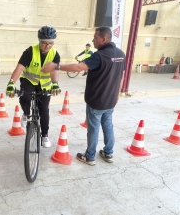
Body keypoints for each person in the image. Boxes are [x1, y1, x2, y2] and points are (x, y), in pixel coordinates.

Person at [41, 26, 125, 165]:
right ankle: (108, 153)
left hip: (97, 100)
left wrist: (56, 66)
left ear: (104, 39)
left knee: (93, 128)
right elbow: (121, 75)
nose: (93, 40)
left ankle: (90, 156)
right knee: (108, 125)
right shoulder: (120, 54)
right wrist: (117, 94)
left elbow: (79, 67)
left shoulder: (99, 56)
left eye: (95, 37)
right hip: (111, 99)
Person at [6, 25, 61, 148]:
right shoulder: (30, 51)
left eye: (50, 43)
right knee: (25, 97)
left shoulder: (55, 54)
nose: (47, 46)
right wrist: (11, 83)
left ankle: (45, 135)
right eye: (44, 43)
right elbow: (19, 67)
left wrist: (55, 83)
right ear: (39, 40)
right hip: (29, 81)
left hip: (45, 85)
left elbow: (54, 71)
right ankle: (26, 113)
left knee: (44, 109)